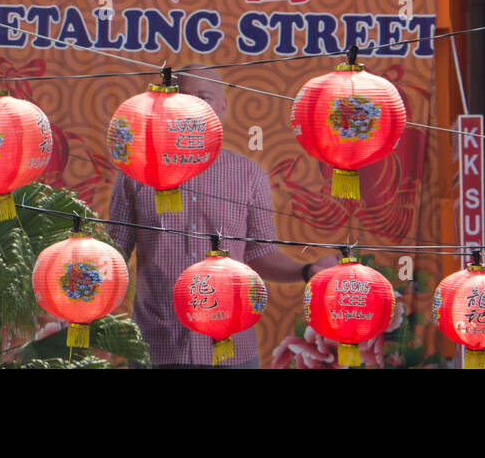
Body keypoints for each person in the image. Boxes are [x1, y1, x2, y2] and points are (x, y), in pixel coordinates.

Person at [106, 65, 337, 368]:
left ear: (223, 108)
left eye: (204, 98)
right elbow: (112, 253)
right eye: (182, 97)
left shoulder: (248, 176)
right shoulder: (135, 174)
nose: (191, 107)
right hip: (158, 344)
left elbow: (260, 254)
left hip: (231, 346)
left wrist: (306, 271)